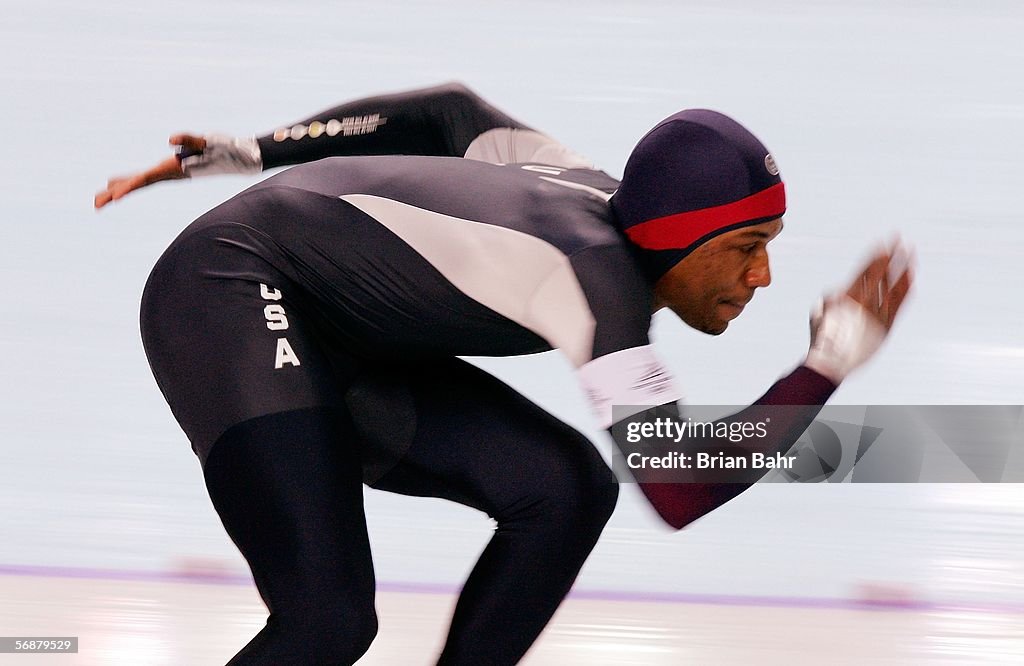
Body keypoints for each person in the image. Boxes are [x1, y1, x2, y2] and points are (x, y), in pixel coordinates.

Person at [96, 83, 912, 665]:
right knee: (327, 621)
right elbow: (680, 486)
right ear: (671, 238)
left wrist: (246, 151)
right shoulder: (594, 279)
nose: (761, 277)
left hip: (342, 337)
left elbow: (449, 110)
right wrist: (826, 363)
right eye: (744, 247)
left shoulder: (585, 183)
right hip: (230, 290)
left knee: (566, 489)